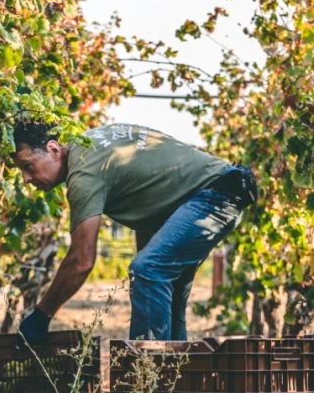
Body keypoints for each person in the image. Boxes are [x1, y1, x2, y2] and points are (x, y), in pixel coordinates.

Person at [13, 122, 257, 343]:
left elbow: (81, 260)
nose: (25, 179)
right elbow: (151, 205)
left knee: (148, 270)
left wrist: (41, 316)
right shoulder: (89, 143)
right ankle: (172, 385)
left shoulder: (83, 172)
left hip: (215, 195)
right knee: (165, 290)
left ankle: (146, 382)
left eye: (28, 166)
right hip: (218, 192)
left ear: (54, 149)